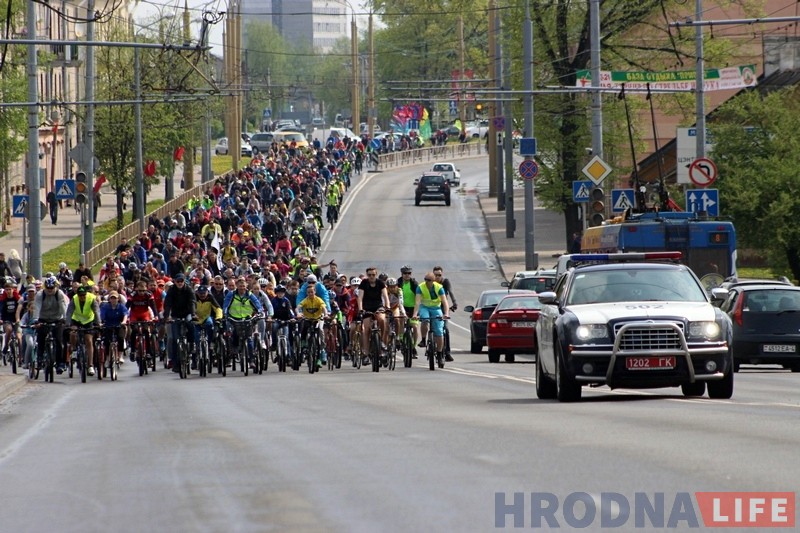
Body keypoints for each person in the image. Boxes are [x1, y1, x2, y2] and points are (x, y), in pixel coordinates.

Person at [222, 277, 264, 368]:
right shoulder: (231, 294)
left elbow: (257, 304)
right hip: (234, 318)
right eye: (240, 286)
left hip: (247, 318)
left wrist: (260, 311)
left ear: (246, 286)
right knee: (234, 335)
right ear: (237, 286)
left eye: (243, 286)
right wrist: (225, 313)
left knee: (249, 338)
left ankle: (251, 360)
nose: (242, 288)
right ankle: (233, 351)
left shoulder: (249, 294)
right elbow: (226, 305)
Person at [413, 272, 450, 363]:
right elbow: (417, 302)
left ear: (433, 281)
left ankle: (440, 353)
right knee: (424, 320)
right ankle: (423, 339)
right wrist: (415, 314)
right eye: (425, 279)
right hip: (424, 307)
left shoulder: (439, 288)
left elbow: (445, 302)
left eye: (428, 280)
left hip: (436, 308)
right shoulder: (420, 287)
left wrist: (446, 314)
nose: (426, 281)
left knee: (439, 331)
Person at [163, 273, 197, 372]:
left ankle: (192, 345)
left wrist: (193, 314)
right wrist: (167, 316)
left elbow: (192, 302)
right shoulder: (171, 290)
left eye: (181, 281)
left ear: (184, 281)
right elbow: (167, 304)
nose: (180, 283)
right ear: (175, 282)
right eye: (178, 281)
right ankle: (175, 364)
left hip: (188, 313)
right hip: (176, 315)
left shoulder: (189, 289)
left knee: (191, 324)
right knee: (175, 339)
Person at [66, 285, 101, 376]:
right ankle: (74, 350)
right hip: (76, 320)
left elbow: (96, 311)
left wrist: (98, 323)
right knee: (73, 334)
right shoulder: (74, 299)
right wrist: (68, 324)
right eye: (80, 295)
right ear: (77, 295)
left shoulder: (91, 298)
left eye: (84, 295)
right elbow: (69, 312)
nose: (82, 297)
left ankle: (90, 365)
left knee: (89, 340)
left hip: (88, 320)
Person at [357, 267, 390, 359]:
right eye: (369, 275)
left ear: (376, 275)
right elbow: (360, 298)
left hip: (378, 306)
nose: (371, 276)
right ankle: (366, 353)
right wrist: (360, 309)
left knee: (382, 320)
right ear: (367, 275)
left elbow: (385, 296)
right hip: (367, 307)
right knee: (366, 329)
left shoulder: (380, 283)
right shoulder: (364, 283)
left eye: (373, 275)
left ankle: (382, 342)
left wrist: (387, 306)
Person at [295, 282, 329, 368]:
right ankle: (303, 343)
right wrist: (298, 313)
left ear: (315, 292)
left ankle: (320, 356)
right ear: (307, 293)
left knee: (320, 332)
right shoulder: (305, 300)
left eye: (312, 292)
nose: (310, 293)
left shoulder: (318, 300)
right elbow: (298, 307)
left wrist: (326, 314)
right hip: (308, 319)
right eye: (308, 292)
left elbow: (324, 308)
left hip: (318, 319)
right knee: (304, 327)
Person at [432, 266, 457, 360]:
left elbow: (450, 292)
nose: (437, 277)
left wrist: (454, 303)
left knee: (445, 329)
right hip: (433, 307)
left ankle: (447, 353)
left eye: (439, 275)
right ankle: (431, 346)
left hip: (443, 308)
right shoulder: (430, 282)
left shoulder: (445, 282)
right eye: (435, 275)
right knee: (432, 327)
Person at [194, 284, 222, 364]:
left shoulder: (210, 298)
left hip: (206, 318)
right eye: (200, 293)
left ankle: (211, 343)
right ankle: (196, 353)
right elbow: (190, 307)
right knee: (196, 337)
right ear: (197, 293)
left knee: (210, 324)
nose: (202, 295)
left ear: (207, 292)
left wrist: (218, 318)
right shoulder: (194, 298)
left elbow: (218, 308)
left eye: (204, 293)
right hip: (196, 319)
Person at [99, 291, 129, 365]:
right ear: (109, 299)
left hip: (119, 325)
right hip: (108, 325)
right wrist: (101, 323)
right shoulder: (105, 306)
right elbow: (102, 315)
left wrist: (124, 321)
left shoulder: (121, 306)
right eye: (112, 298)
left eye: (115, 298)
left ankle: (120, 356)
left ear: (118, 299)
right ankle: (107, 358)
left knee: (120, 338)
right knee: (106, 341)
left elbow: (125, 314)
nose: (113, 300)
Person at [398, 265, 420, 355]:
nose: (407, 275)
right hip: (402, 307)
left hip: (413, 308)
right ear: (402, 274)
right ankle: (401, 339)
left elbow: (418, 298)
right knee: (401, 321)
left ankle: (413, 346)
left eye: (409, 273)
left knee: (415, 327)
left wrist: (416, 312)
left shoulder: (414, 283)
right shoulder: (398, 282)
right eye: (405, 273)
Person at [0, 281, 22, 356]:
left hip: (17, 319)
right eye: (7, 290)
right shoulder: (3, 299)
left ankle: (21, 357)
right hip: (6, 319)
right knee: (9, 329)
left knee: (19, 337)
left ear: (13, 289)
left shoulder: (17, 298)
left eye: (10, 289)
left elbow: (22, 308)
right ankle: (6, 346)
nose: (8, 291)